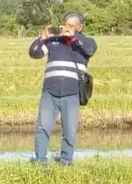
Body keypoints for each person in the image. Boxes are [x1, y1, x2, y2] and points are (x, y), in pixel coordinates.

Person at [28, 11, 97, 165]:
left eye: (72, 26)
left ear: (80, 27)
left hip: (71, 93)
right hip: (50, 91)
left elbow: (91, 49)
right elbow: (34, 53)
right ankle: (40, 160)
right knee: (43, 127)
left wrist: (74, 36)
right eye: (66, 25)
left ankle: (66, 161)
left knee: (69, 131)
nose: (67, 28)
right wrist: (41, 39)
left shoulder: (84, 42)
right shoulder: (54, 41)